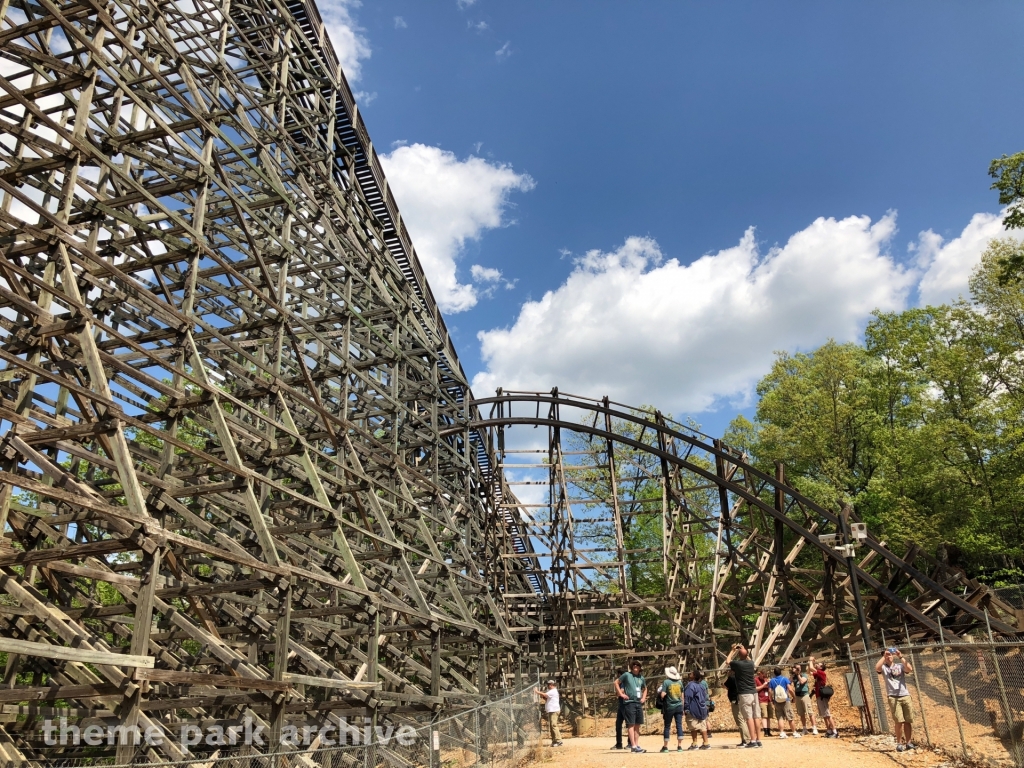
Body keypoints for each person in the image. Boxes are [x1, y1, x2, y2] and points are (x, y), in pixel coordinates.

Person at [876, 647, 916, 752]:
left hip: (905, 695)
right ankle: (899, 743)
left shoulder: (899, 666)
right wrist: (884, 656)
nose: (889, 656)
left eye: (890, 654)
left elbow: (909, 669)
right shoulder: (884, 668)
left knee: (908, 720)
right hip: (893, 697)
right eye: (887, 655)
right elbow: (877, 668)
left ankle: (908, 742)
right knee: (899, 721)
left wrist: (900, 656)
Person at [725, 643, 763, 748]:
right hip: (754, 692)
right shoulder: (751, 663)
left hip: (745, 693)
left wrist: (733, 650)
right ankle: (758, 740)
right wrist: (743, 649)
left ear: (739, 655)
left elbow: (728, 661)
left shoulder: (738, 664)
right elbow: (749, 659)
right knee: (756, 716)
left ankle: (752, 740)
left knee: (748, 717)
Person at [615, 660, 648, 753]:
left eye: (637, 665)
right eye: (634, 665)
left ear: (640, 667)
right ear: (631, 666)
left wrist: (643, 698)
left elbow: (645, 688)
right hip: (629, 703)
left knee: (637, 725)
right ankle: (633, 745)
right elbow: (616, 682)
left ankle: (636, 745)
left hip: (638, 703)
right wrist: (621, 694)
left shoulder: (641, 678)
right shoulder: (626, 675)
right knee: (631, 724)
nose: (635, 666)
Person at [658, 666, 685, 752]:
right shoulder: (680, 682)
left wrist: (661, 696)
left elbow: (663, 694)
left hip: (669, 707)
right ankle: (679, 746)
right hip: (679, 706)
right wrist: (683, 707)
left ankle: (665, 747)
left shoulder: (666, 682)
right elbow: (682, 696)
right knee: (679, 725)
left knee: (667, 726)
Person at [809, 656, 838, 738]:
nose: (817, 665)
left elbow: (811, 668)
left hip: (822, 697)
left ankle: (835, 732)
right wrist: (810, 662)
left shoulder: (821, 673)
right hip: (819, 696)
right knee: (824, 715)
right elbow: (809, 671)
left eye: (818, 664)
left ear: (821, 667)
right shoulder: (818, 673)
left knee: (827, 714)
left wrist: (810, 660)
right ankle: (829, 731)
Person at [684, 669, 711, 750]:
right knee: (703, 726)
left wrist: (686, 708)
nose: (689, 674)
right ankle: (706, 743)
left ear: (694, 676)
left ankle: (695, 743)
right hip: (702, 708)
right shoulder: (701, 686)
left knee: (693, 727)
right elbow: (705, 696)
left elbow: (688, 697)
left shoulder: (690, 685)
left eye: (691, 673)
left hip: (693, 709)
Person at [768, 666, 797, 738]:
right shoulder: (785, 679)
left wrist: (771, 699)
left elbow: (770, 691)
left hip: (777, 701)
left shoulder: (772, 681)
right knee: (790, 716)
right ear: (780, 672)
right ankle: (794, 732)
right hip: (786, 700)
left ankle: (782, 732)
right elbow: (790, 689)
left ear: (774, 673)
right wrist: (794, 697)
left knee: (780, 717)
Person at [724, 668, 751, 746]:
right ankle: (745, 739)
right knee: (742, 720)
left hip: (735, 701)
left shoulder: (732, 678)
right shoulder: (741, 677)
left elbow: (725, 685)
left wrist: (728, 676)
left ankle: (746, 740)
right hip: (742, 699)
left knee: (740, 720)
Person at [791, 663, 818, 735]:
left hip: (805, 695)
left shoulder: (804, 675)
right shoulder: (794, 676)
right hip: (798, 696)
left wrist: (798, 675)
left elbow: (802, 682)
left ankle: (814, 728)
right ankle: (804, 728)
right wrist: (792, 674)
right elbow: (789, 682)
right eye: (796, 668)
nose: (798, 669)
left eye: (799, 668)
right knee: (801, 713)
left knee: (810, 712)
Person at [535, 680, 563, 747]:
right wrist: (543, 696)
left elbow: (544, 695)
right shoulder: (551, 691)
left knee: (553, 725)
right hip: (551, 710)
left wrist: (537, 691)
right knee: (551, 726)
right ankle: (554, 741)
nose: (547, 686)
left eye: (548, 685)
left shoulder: (553, 691)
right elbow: (546, 697)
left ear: (551, 685)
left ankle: (559, 740)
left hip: (554, 710)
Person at [613, 667, 627, 749]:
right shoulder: (621, 682)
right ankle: (619, 744)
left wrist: (617, 693)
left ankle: (630, 743)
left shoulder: (624, 682)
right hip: (621, 705)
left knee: (629, 724)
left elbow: (620, 692)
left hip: (626, 705)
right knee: (618, 724)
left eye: (617, 674)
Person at [755, 669, 772, 736]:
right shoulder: (756, 679)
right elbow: (755, 689)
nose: (764, 677)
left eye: (765, 676)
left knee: (769, 716)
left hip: (768, 699)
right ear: (760, 674)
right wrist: (763, 685)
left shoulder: (766, 679)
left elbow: (770, 689)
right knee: (764, 716)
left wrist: (769, 683)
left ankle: (769, 730)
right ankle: (765, 731)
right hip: (762, 700)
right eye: (763, 676)